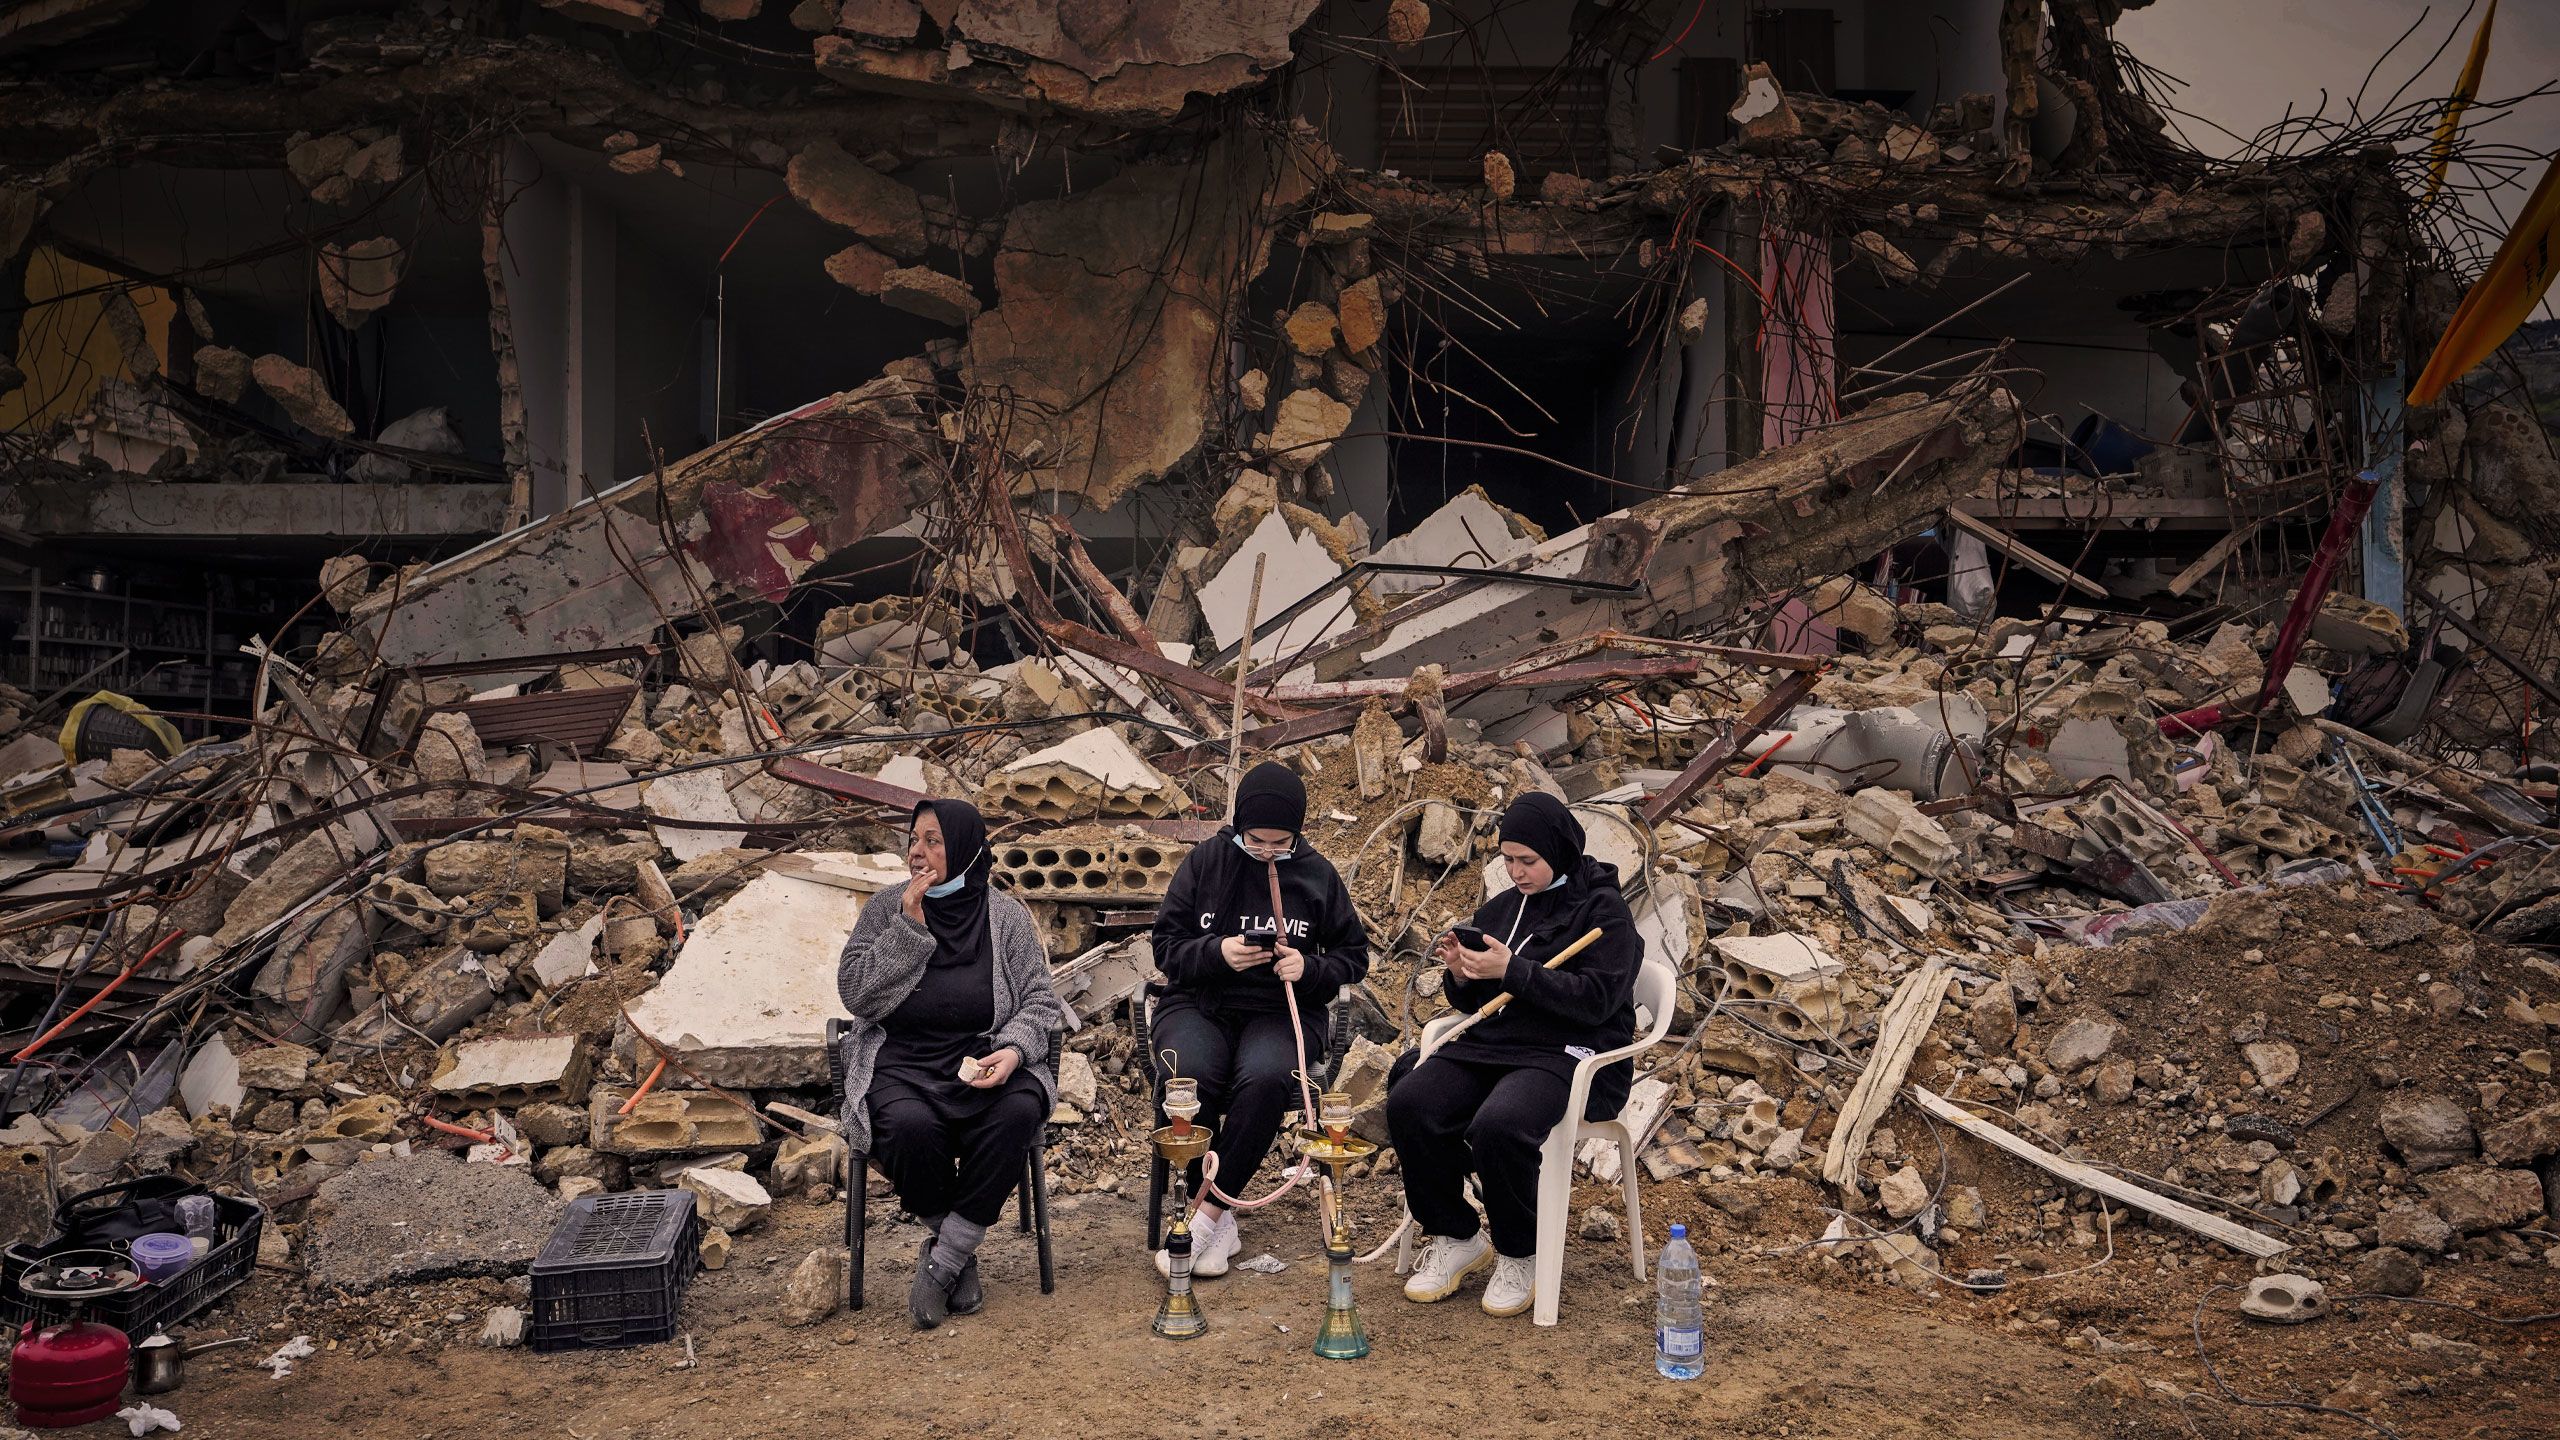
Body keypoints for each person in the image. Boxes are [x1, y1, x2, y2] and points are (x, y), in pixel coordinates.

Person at [1388, 791, 1640, 1318]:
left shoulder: (1605, 911)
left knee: (1499, 1125)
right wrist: (1462, 974)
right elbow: (1475, 1002)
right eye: (1508, 859)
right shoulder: (1503, 909)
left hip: (1569, 1053)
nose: (1517, 871)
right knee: (1411, 1102)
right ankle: (1457, 1235)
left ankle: (1521, 1252)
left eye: (1528, 860)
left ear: (1559, 851)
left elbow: (1597, 1001)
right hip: (1495, 1045)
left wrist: (1513, 972)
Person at [837, 798, 1067, 1329]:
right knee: (907, 1126)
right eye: (913, 840)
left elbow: (1040, 1000)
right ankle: (955, 1253)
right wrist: (908, 929)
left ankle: (942, 1260)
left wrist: (1013, 1051)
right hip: (900, 1061)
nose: (917, 853)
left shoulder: (1005, 916)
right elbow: (855, 994)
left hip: (981, 1057)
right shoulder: (886, 907)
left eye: (933, 841)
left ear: (963, 848)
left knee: (1019, 1110)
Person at [1148, 762, 1368, 1278]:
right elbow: (1166, 947)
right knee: (1189, 1074)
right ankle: (1220, 1221)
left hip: (1282, 1010)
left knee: (1267, 1078)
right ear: (1239, 826)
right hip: (1200, 1001)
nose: (1268, 852)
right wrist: (1217, 952)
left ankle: (1205, 1216)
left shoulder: (1318, 874)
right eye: (1257, 841)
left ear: (1298, 833)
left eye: (1280, 843)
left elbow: (1354, 956)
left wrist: (1310, 968)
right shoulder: (1206, 862)